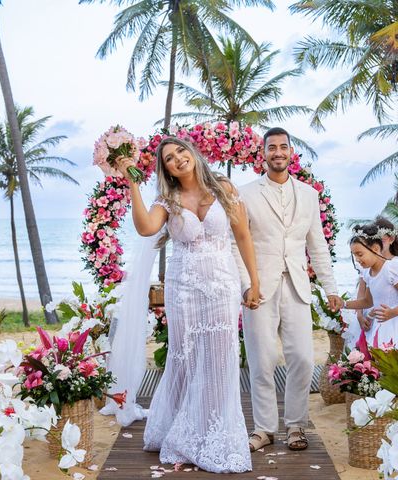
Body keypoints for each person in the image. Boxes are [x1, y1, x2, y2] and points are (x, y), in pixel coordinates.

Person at [114, 137, 260, 473]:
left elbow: (242, 235)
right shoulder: (167, 199)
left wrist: (253, 281)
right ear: (164, 168)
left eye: (181, 151)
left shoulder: (223, 186)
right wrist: (133, 185)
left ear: (193, 153)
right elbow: (145, 227)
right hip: (183, 290)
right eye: (168, 158)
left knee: (222, 359)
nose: (178, 159)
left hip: (223, 285)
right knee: (186, 357)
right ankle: (182, 431)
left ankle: (216, 435)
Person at [232, 127, 341, 453]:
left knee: (303, 359)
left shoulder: (309, 194)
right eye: (272, 147)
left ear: (291, 152)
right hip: (260, 288)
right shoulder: (246, 193)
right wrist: (247, 285)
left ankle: (296, 425)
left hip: (297, 285)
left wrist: (330, 287)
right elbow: (237, 243)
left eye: (283, 147)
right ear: (262, 154)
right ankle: (264, 428)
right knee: (262, 359)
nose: (278, 152)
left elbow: (317, 246)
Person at [341, 223, 398, 367]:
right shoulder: (368, 272)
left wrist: (392, 312)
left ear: (376, 249)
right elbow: (367, 301)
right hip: (378, 325)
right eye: (354, 255)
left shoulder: (392, 268)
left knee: (396, 368)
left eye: (360, 254)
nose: (357, 259)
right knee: (375, 367)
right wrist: (344, 304)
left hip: (395, 325)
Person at [345, 216, 398, 348]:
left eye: (382, 238)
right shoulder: (367, 266)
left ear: (391, 239)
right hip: (369, 313)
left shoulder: (396, 265)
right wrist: (359, 315)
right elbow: (362, 292)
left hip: (389, 316)